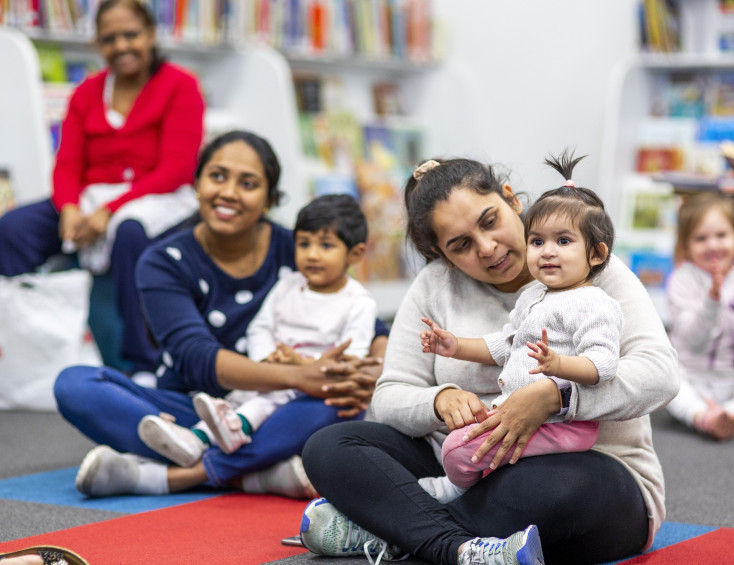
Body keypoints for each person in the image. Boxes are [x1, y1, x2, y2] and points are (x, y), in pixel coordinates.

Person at [299, 154, 679, 565]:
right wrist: (440, 400)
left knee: (551, 490)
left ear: (511, 200)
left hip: (582, 469)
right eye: (460, 245)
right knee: (329, 446)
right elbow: (388, 397)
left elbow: (660, 375)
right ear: (440, 253)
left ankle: (397, 529)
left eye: (489, 221)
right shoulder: (434, 286)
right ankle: (461, 549)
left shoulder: (589, 266)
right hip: (462, 463)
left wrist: (557, 397)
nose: (487, 248)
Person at [53, 130, 387, 500]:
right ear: (196, 185)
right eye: (217, 176)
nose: (228, 192)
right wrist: (297, 374)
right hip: (193, 408)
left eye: (248, 183)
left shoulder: (298, 248)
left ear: (270, 200)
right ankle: (259, 468)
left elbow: (370, 321)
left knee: (339, 401)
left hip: (284, 406)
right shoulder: (163, 260)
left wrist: (372, 370)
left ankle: (190, 474)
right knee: (74, 385)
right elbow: (197, 357)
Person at [0, 0, 205, 374]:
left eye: (131, 35)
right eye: (110, 39)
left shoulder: (181, 86)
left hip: (156, 195)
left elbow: (175, 170)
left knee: (129, 233)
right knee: (14, 229)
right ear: (97, 43)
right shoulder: (87, 92)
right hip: (91, 196)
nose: (121, 46)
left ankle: (140, 363)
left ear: (151, 34)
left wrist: (107, 212)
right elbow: (66, 166)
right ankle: (21, 344)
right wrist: (69, 209)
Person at [416, 152, 623, 504]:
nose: (547, 252)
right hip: (522, 418)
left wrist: (557, 370)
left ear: (597, 254)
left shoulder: (594, 301)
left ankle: (455, 493)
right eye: (537, 241)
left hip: (564, 427)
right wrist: (455, 346)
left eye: (563, 241)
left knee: (457, 449)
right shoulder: (534, 296)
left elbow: (603, 364)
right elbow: (505, 346)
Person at [136, 193, 378, 466]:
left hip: (315, 388)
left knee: (270, 402)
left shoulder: (358, 302)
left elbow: (352, 360)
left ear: (355, 253)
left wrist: (300, 365)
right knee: (242, 395)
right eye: (303, 244)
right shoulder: (287, 284)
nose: (312, 254)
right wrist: (267, 359)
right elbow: (260, 327)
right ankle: (197, 439)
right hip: (276, 371)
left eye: (325, 245)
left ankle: (216, 438)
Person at [665, 192, 734, 440]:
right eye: (701, 238)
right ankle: (703, 417)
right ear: (686, 246)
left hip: (730, 376)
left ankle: (727, 414)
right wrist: (712, 300)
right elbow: (690, 337)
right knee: (666, 384)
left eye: (722, 235)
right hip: (691, 375)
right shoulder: (681, 281)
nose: (713, 245)